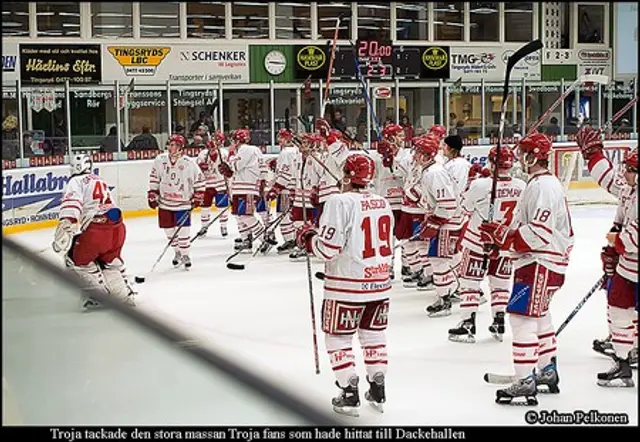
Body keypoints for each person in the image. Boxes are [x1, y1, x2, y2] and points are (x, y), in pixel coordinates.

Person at [479, 132, 574, 405]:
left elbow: (539, 233)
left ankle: (524, 380)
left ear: (533, 156)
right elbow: (526, 228)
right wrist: (501, 236)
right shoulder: (538, 183)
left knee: (521, 319)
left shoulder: (543, 186)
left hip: (540, 263)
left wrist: (505, 237)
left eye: (524, 153)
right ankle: (546, 370)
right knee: (540, 317)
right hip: (541, 263)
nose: (519, 158)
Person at [296, 153, 393, 417]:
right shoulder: (382, 202)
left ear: (349, 176)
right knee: (373, 335)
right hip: (379, 284)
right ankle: (377, 383)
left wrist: (307, 238)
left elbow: (328, 249)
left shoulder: (339, 201)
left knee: (338, 337)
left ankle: (348, 389)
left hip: (346, 285)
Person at [576, 126, 638, 384]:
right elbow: (611, 180)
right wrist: (592, 154)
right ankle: (625, 357)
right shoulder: (629, 189)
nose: (624, 172)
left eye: (630, 169)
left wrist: (617, 243)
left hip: (632, 263)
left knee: (622, 309)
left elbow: (634, 236)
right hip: (628, 265)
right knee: (622, 308)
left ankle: (626, 354)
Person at [448, 145, 526, 343]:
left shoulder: (481, 185)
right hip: (505, 242)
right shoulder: (521, 185)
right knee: (500, 283)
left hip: (477, 242)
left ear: (491, 163)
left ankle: (467, 323)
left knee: (470, 283)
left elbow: (464, 207)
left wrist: (474, 182)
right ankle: (499, 320)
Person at [52, 153, 135, 310]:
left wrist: (66, 224)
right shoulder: (99, 179)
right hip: (117, 229)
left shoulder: (75, 181)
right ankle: (124, 295)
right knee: (109, 262)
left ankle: (98, 295)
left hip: (97, 231)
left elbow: (72, 204)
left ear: (76, 167)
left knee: (76, 260)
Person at [148, 135, 205, 268]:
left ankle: (185, 254)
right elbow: (154, 177)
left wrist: (198, 194)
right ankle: (177, 252)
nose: (171, 148)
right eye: (170, 144)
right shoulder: (160, 160)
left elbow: (200, 180)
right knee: (169, 231)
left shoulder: (189, 162)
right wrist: (153, 192)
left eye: (175, 145)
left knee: (183, 231)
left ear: (181, 147)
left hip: (183, 203)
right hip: (165, 203)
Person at [218, 128, 264, 253]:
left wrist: (229, 162)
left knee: (245, 215)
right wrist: (227, 171)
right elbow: (233, 171)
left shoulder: (246, 149)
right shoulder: (247, 150)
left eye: (234, 139)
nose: (232, 142)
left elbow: (237, 166)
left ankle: (264, 237)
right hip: (241, 187)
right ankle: (246, 239)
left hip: (246, 187)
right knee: (239, 216)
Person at [372, 123, 406, 280]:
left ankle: (408, 265)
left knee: (406, 236)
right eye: (399, 135)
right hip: (385, 201)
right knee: (386, 237)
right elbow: (372, 178)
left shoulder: (407, 155)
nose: (403, 137)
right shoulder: (377, 157)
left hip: (403, 201)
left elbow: (406, 175)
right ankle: (388, 266)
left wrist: (393, 161)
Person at [266, 129, 299, 255]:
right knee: (291, 216)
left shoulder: (286, 152)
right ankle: (295, 239)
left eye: (281, 137)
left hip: (285, 189)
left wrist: (276, 188)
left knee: (283, 216)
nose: (279, 140)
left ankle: (290, 241)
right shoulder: (296, 150)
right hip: (294, 188)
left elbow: (286, 172)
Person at [196, 131, 230, 237]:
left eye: (218, 141)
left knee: (222, 206)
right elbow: (197, 168)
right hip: (206, 184)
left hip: (220, 184)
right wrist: (201, 166)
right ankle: (204, 226)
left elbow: (229, 168)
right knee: (204, 206)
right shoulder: (203, 154)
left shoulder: (224, 153)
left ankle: (223, 226)